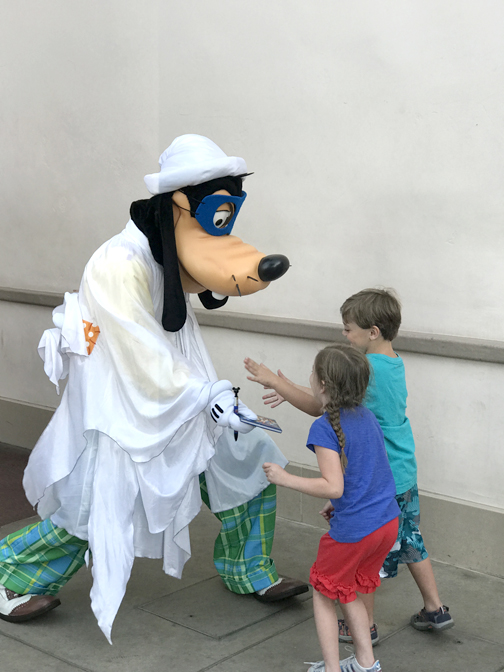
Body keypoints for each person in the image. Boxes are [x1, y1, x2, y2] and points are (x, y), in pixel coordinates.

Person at [0, 135, 307, 642]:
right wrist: (206, 394)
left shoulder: (163, 251)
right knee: (93, 505)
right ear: (179, 206)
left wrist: (212, 396)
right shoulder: (118, 263)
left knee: (250, 454)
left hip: (182, 398)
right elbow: (137, 351)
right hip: (119, 410)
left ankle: (248, 567)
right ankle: (10, 575)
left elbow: (178, 339)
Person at [244, 287, 454, 649]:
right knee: (410, 538)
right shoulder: (392, 362)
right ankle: (435, 608)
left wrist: (277, 382)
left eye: (348, 330)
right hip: (403, 471)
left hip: (378, 479)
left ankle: (365, 627)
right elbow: (331, 393)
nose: (344, 335)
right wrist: (291, 387)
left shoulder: (368, 369)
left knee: (367, 560)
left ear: (372, 332)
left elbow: (319, 405)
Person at [261, 344, 399, 672]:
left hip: (356, 532)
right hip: (386, 524)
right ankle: (366, 663)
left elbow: (333, 485)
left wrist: (285, 478)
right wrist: (337, 501)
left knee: (323, 593)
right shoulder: (367, 416)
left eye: (313, 372)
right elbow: (368, 473)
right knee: (348, 588)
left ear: (322, 384)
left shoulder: (324, 427)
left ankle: (332, 669)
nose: (310, 376)